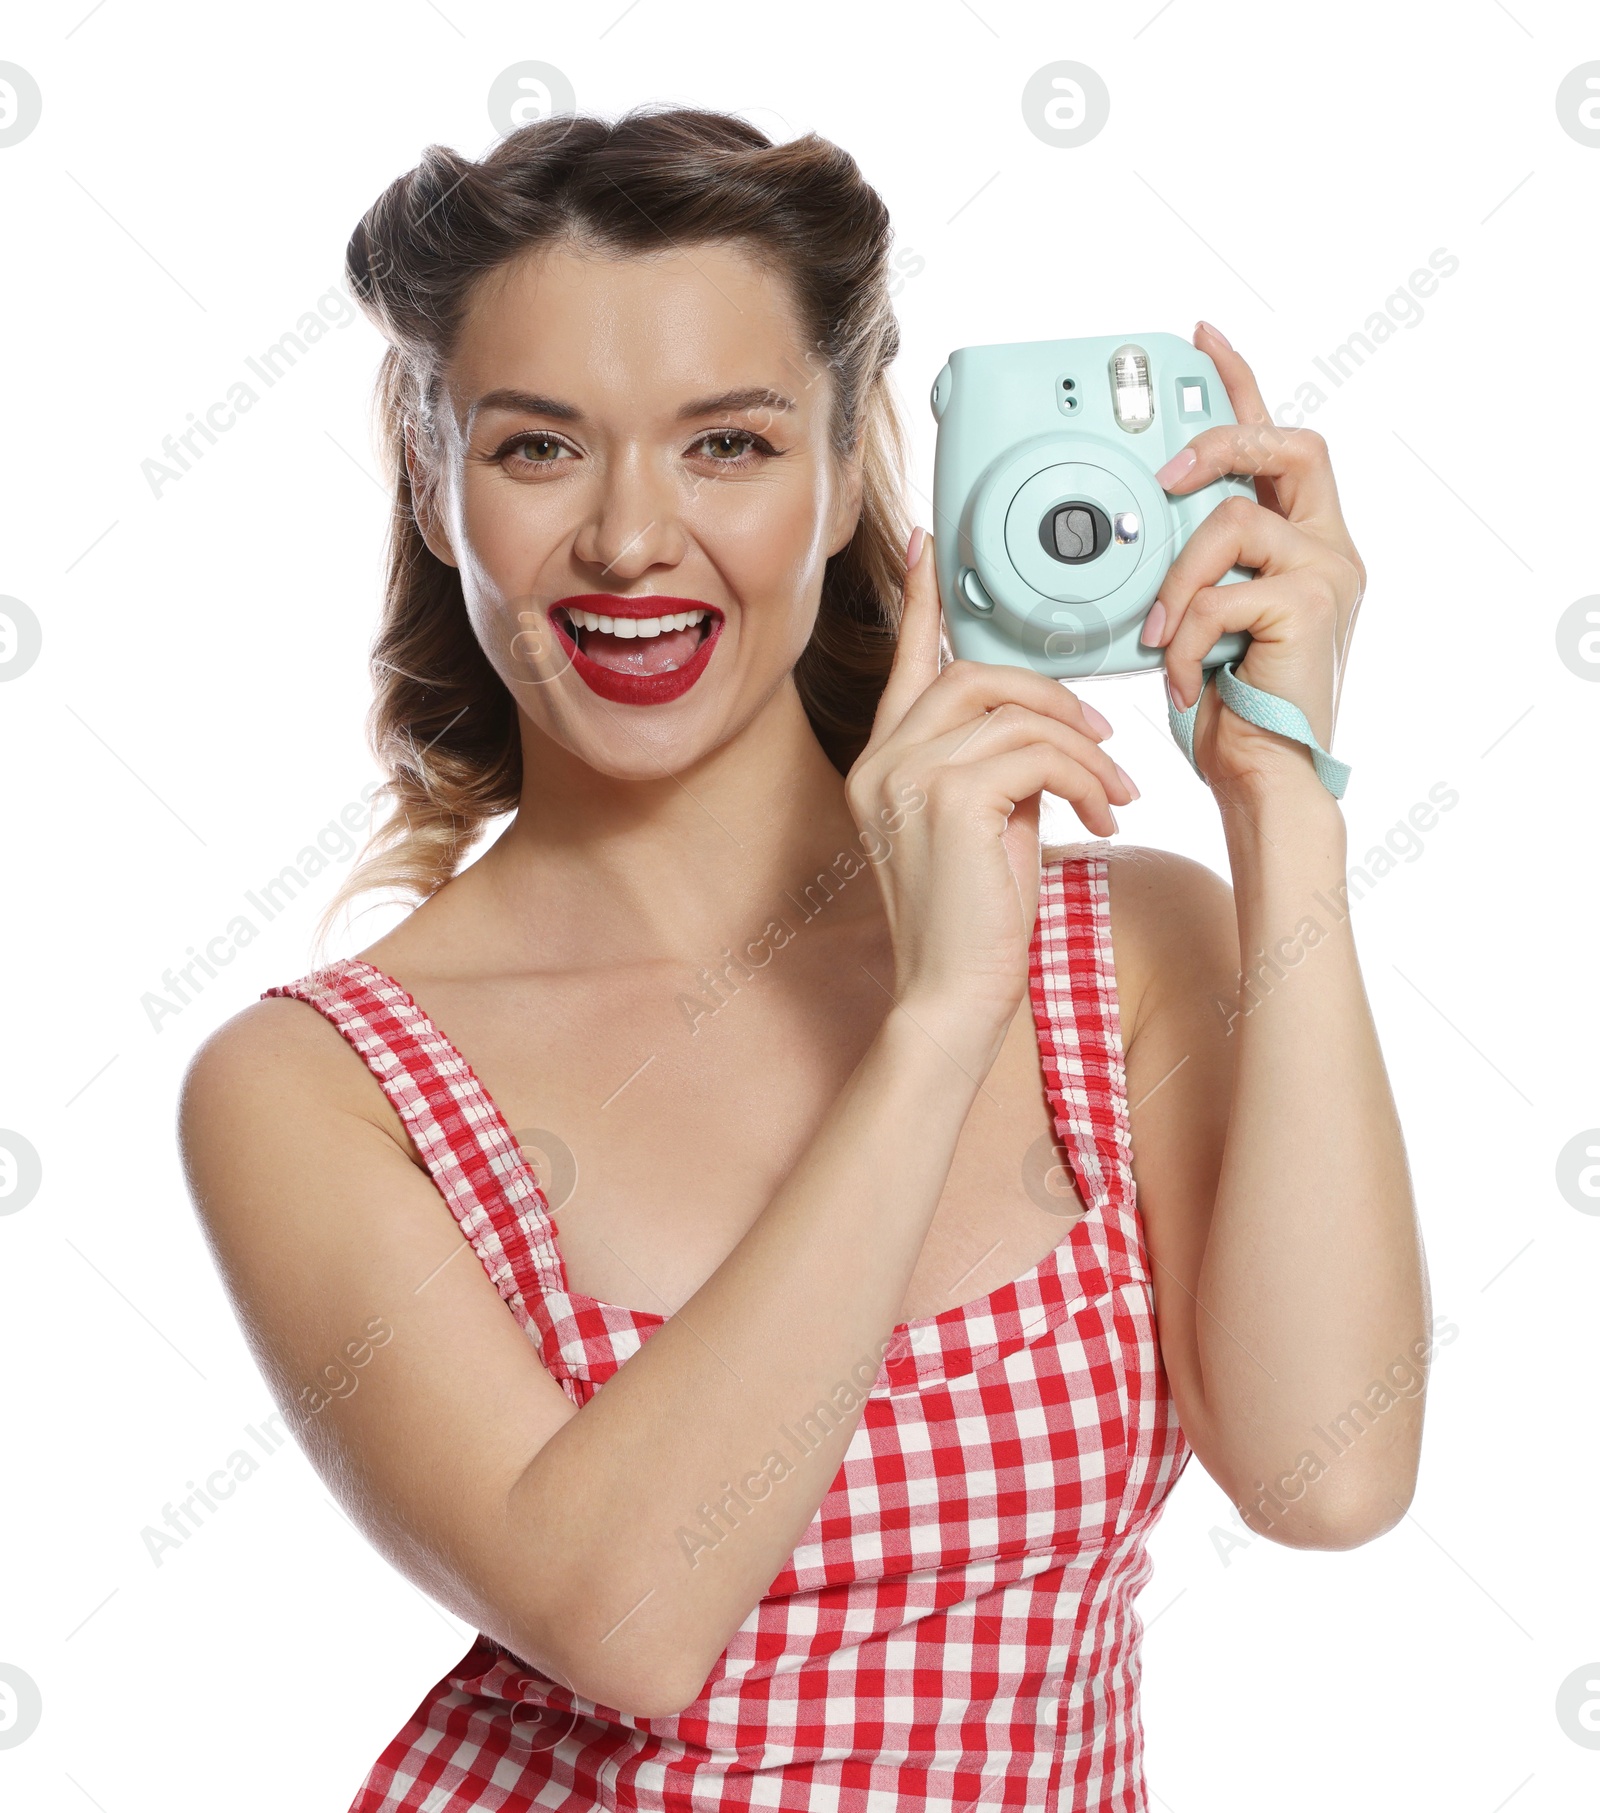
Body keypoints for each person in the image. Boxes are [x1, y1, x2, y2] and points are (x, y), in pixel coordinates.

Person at [178, 105, 1429, 1812]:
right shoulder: (316, 1087)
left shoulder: (1127, 949)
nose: (630, 539)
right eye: (539, 448)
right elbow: (625, 1614)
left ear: (850, 471)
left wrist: (1281, 801)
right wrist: (933, 1024)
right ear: (430, 474)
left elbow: (1329, 1470)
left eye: (730, 446)